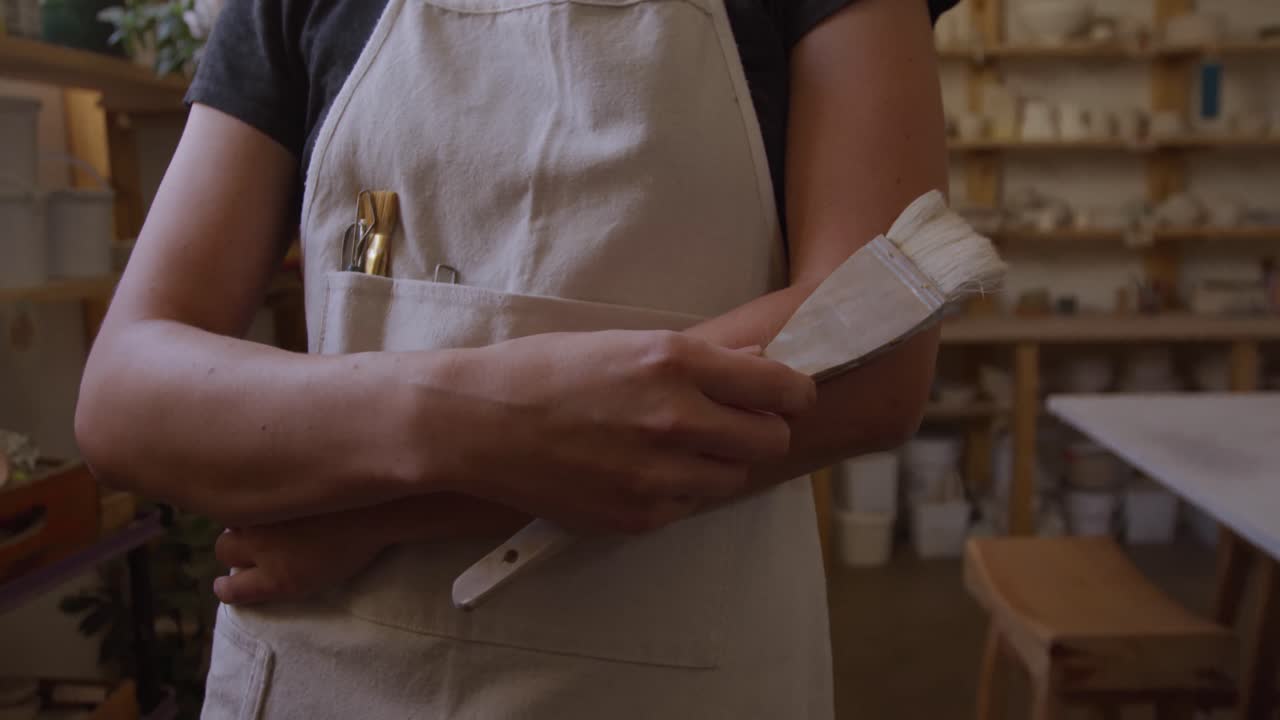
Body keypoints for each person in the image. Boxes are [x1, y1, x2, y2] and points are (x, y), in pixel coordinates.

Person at [76, 0, 956, 716]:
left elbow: (876, 342)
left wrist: (372, 515)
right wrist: (473, 413)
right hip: (316, 674)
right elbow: (125, 399)